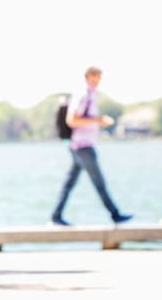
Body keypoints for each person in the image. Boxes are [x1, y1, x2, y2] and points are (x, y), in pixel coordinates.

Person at [51, 66, 132, 226]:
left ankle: (56, 216)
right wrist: (98, 121)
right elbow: (71, 120)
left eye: (99, 77)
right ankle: (115, 215)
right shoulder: (83, 95)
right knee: (99, 183)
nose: (97, 80)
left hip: (78, 146)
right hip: (83, 147)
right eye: (94, 77)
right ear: (87, 76)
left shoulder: (88, 95)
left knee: (69, 183)